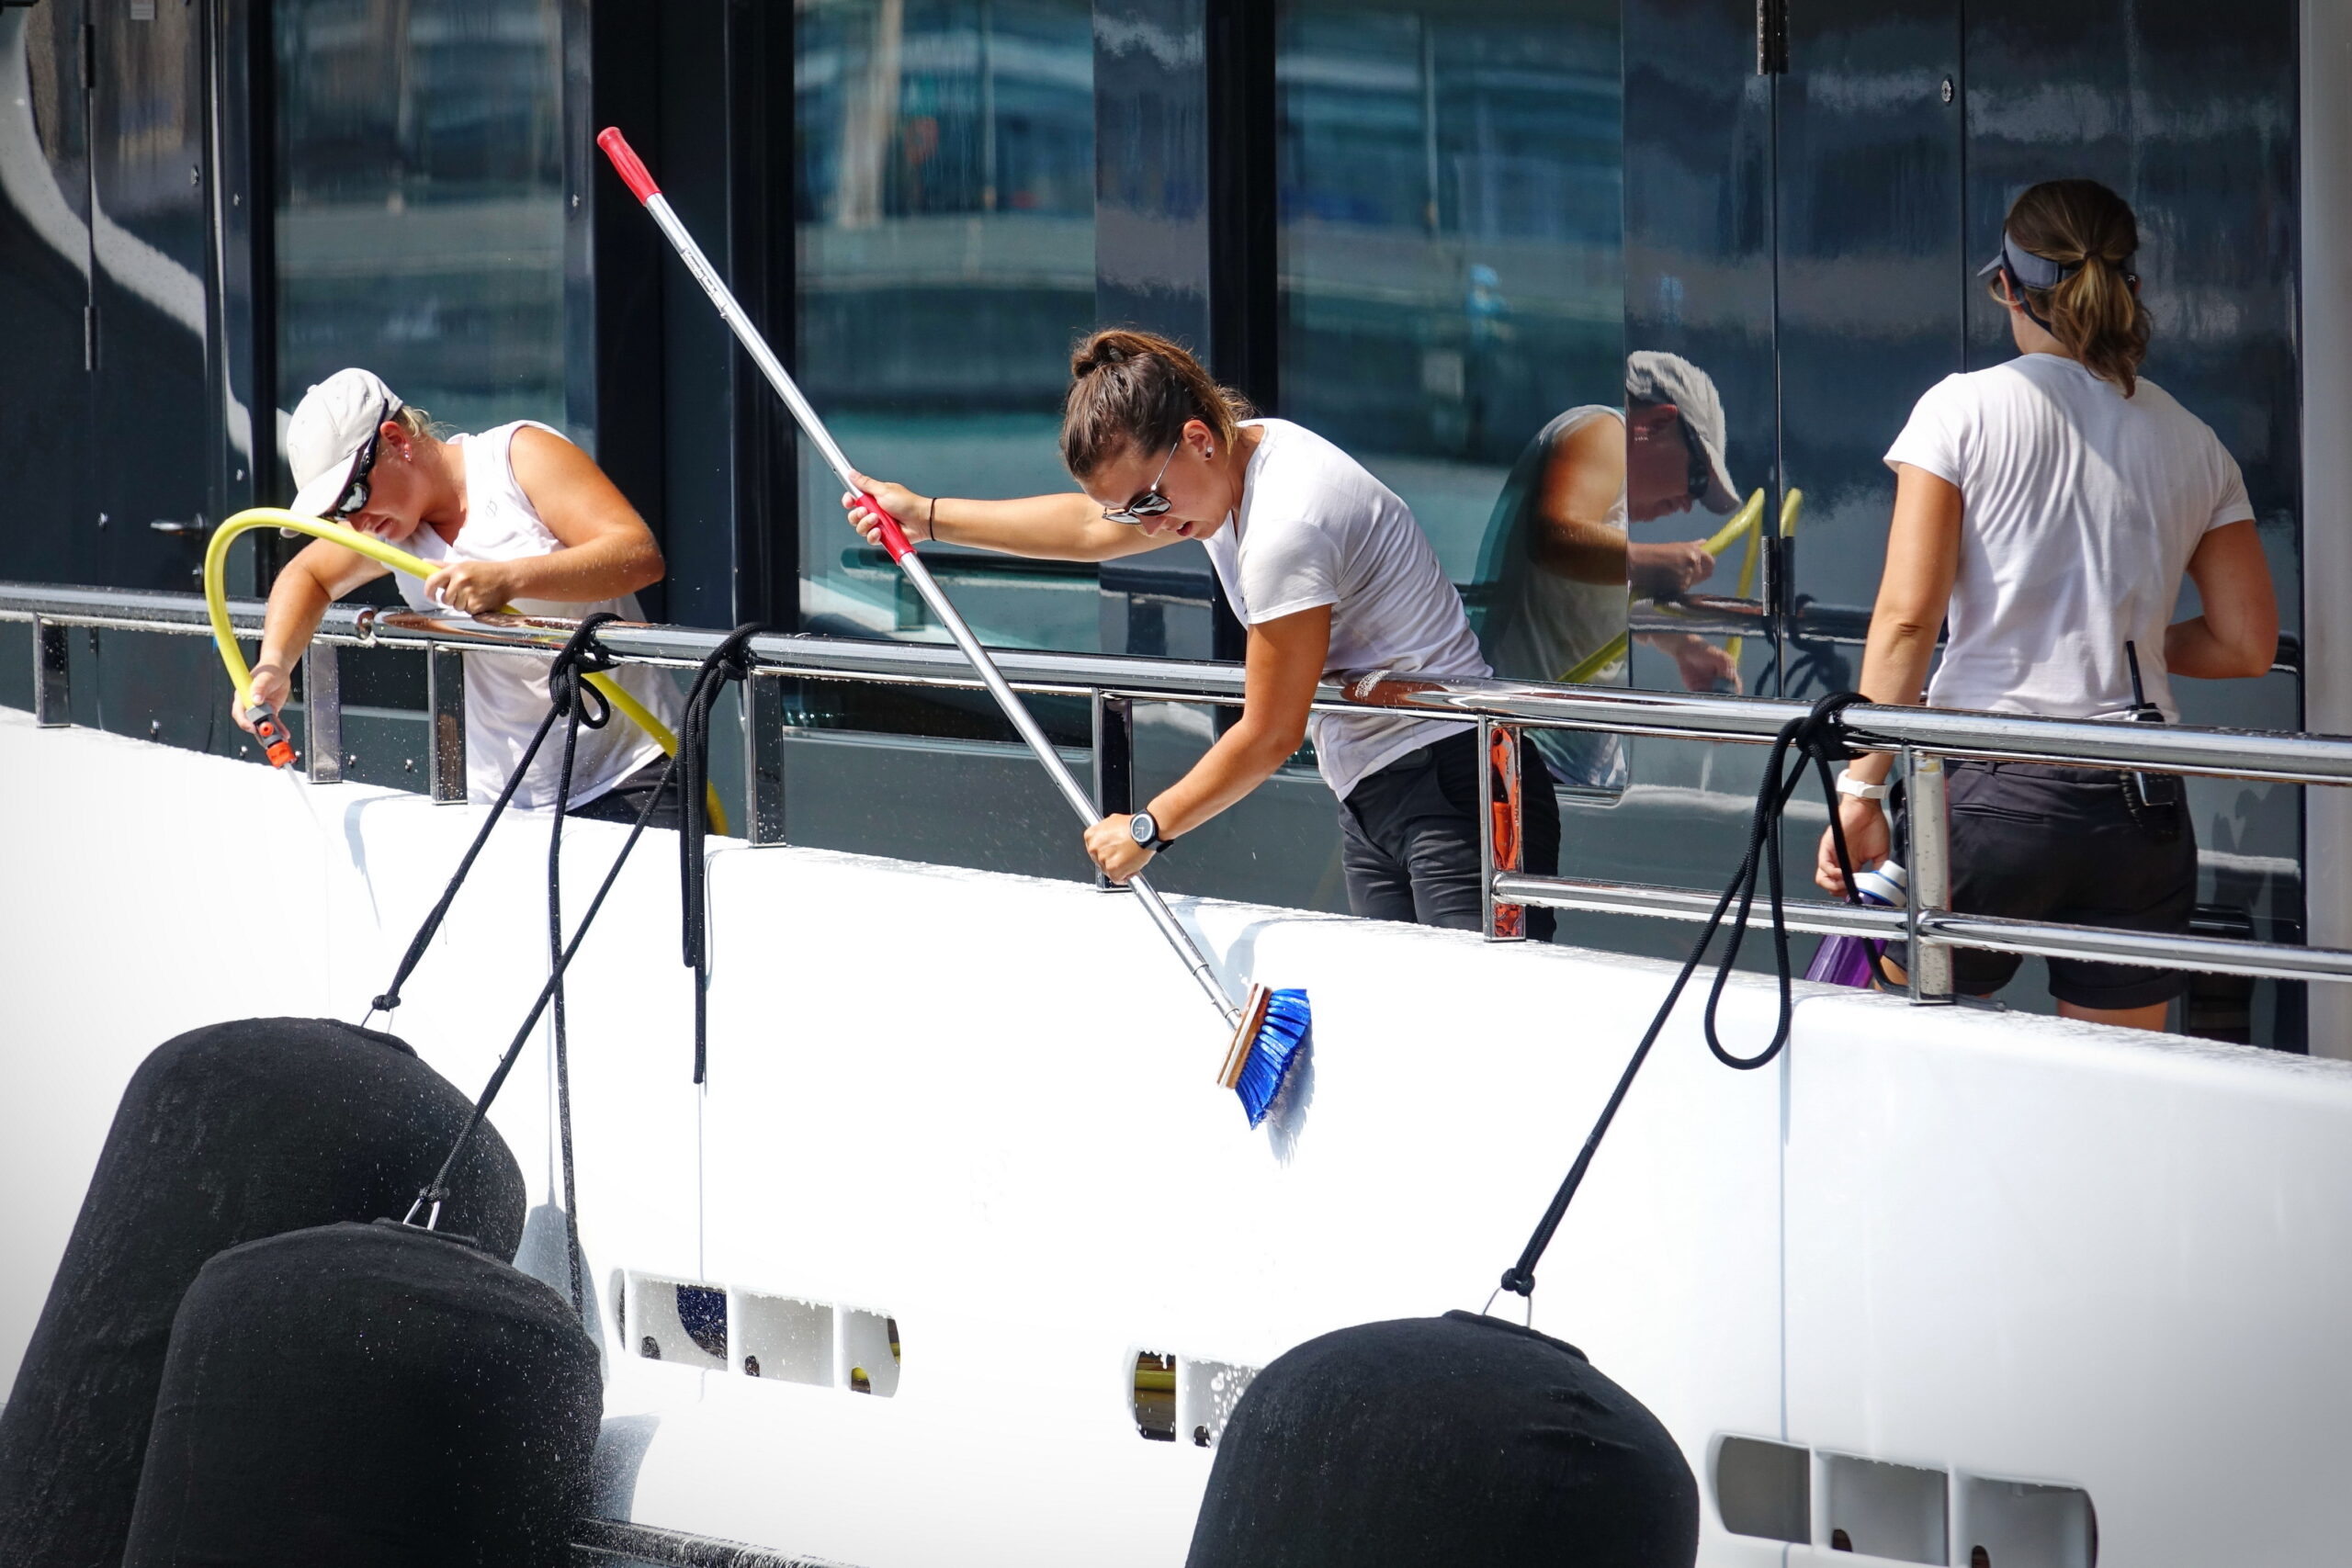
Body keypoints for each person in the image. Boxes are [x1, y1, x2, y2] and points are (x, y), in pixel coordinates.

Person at [843, 328, 1562, 937]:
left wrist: (1148, 828)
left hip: (1461, 789)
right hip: (1377, 792)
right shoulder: (1230, 465)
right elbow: (1087, 527)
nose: (1150, 525)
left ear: (1196, 439)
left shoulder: (1285, 523)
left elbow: (1271, 732)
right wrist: (925, 515)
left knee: (1476, 1034)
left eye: (1150, 501)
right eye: (1133, 512)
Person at [1815, 179, 2278, 1030]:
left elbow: (1909, 619)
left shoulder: (1960, 410)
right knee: (2118, 1084)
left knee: (1920, 1059)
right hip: (2138, 804)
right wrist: (2126, 639)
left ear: (2006, 286)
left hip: (1988, 792)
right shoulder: (2195, 442)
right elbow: (2248, 643)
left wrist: (1861, 790)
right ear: (2131, 286)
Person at [236, 367, 685, 827]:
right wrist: (274, 666)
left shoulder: (516, 459)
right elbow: (307, 574)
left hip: (630, 775)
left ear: (395, 440)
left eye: (351, 497)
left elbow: (638, 555)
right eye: (336, 514)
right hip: (499, 797)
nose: (354, 523)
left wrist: (509, 579)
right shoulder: (387, 527)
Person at [1474, 352, 1745, 788]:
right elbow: (1552, 537)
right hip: (1525, 755)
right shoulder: (1605, 431)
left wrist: (1684, 647)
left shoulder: (1613, 495)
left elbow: (1591, 598)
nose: (1687, 503)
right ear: (1658, 423)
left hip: (1564, 765)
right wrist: (1644, 562)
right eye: (1697, 478)